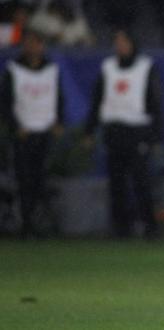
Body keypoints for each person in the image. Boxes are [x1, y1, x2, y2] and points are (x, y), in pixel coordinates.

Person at [83, 29, 163, 239]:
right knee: (116, 184)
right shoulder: (108, 68)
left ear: (132, 43)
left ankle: (149, 226)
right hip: (113, 131)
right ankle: (120, 228)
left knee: (141, 182)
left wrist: (156, 136)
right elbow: (97, 99)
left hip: (137, 131)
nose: (120, 46)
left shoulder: (146, 67)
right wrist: (89, 130)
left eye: (123, 41)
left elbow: (156, 103)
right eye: (116, 41)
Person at [0, 29, 64, 239]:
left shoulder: (51, 70)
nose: (31, 47)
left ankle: (41, 225)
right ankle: (26, 225)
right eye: (27, 43)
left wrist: (58, 122)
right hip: (23, 134)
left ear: (41, 46)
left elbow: (59, 98)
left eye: (34, 43)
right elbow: (6, 103)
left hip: (45, 132)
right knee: (24, 181)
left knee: (41, 181)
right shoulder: (14, 70)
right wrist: (15, 126)